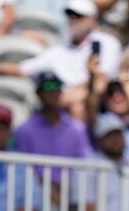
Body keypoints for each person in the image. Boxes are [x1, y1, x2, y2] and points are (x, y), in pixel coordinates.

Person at [0, 0, 122, 118]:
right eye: (70, 15)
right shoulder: (58, 51)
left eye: (78, 15)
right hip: (64, 107)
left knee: (79, 104)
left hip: (99, 107)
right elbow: (21, 68)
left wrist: (72, 96)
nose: (73, 19)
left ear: (92, 19)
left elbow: (102, 81)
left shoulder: (106, 42)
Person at [14, 72, 92, 201]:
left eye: (57, 87)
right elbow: (22, 170)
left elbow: (85, 164)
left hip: (72, 195)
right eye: (48, 87)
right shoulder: (24, 130)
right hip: (37, 196)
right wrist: (49, 189)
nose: (54, 91)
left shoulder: (76, 128)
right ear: (39, 93)